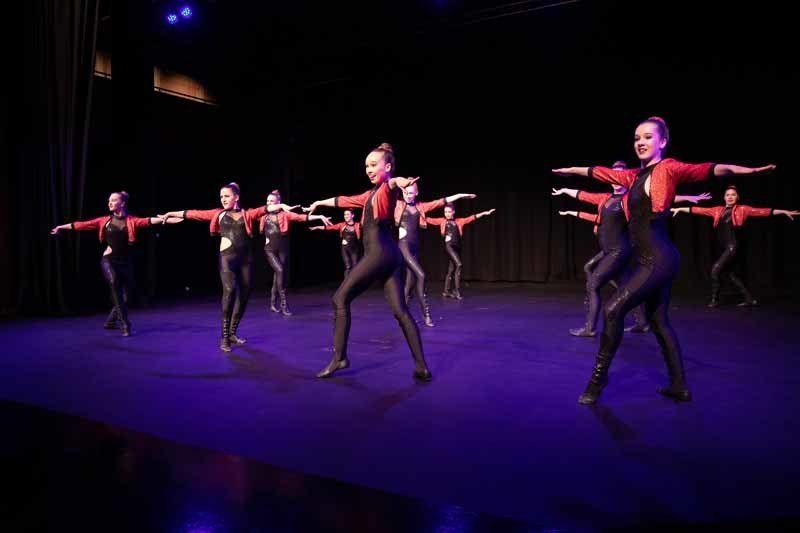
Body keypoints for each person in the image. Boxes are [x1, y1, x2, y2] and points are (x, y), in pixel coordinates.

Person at [553, 116, 775, 404]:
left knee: (612, 310)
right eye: (636, 138)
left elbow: (712, 169)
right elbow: (600, 173)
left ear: (663, 142)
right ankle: (679, 385)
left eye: (647, 137)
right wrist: (572, 170)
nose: (641, 142)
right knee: (659, 322)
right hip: (649, 258)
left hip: (658, 258)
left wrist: (751, 171)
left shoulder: (669, 168)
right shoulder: (632, 176)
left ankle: (597, 381)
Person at [304, 143, 432, 381]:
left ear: (388, 166)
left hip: (379, 253)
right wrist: (319, 202)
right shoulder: (369, 195)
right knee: (401, 312)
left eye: (374, 165)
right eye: (366, 166)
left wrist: (402, 181)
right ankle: (421, 366)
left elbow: (394, 183)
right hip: (392, 254)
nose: (368, 169)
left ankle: (339, 358)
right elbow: (343, 200)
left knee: (339, 298)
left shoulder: (386, 188)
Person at [51, 191, 179, 336]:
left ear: (122, 203)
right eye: (109, 201)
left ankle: (111, 321)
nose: (109, 203)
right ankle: (125, 324)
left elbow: (148, 221)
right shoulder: (104, 221)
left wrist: (166, 219)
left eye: (113, 200)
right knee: (115, 285)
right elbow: (82, 225)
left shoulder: (132, 221)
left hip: (125, 262)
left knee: (127, 296)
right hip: (109, 260)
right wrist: (61, 227)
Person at [672, 186, 798, 307]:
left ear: (737, 197)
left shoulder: (743, 209)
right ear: (724, 197)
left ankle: (714, 300)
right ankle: (750, 299)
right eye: (727, 195)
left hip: (732, 246)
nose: (730, 197)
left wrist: (783, 211)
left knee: (715, 270)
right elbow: (698, 210)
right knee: (731, 274)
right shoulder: (717, 210)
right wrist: (679, 209)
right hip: (723, 246)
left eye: (733, 195)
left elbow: (763, 211)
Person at [426, 204, 496, 300]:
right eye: (445, 212)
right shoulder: (442, 221)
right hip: (448, 246)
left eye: (449, 212)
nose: (447, 214)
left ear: (453, 212)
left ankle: (446, 291)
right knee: (459, 264)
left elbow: (473, 217)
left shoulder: (460, 221)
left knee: (451, 270)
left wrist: (485, 213)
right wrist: (416, 213)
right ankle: (456, 290)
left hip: (456, 248)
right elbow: (428, 219)